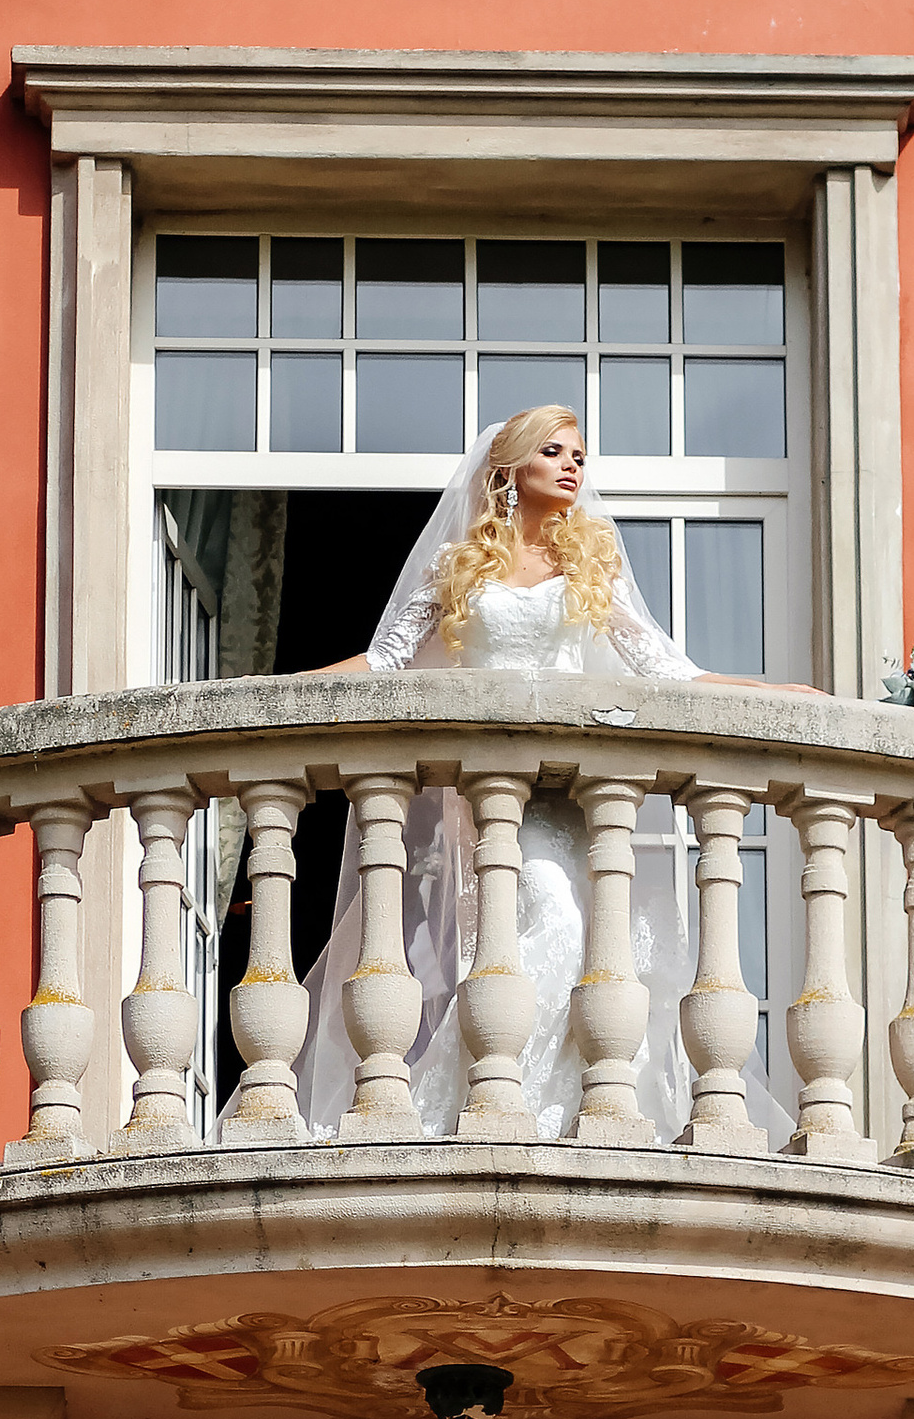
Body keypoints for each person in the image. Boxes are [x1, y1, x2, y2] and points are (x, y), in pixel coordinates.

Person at [280, 406, 802, 1141]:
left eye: (579, 456)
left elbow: (667, 669)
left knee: (583, 933)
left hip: (569, 795)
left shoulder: (591, 565)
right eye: (553, 451)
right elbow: (385, 661)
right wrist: (284, 686)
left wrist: (769, 692)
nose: (571, 466)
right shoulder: (459, 564)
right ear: (510, 468)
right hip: (489, 793)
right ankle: (492, 1101)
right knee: (534, 919)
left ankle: (555, 1109)